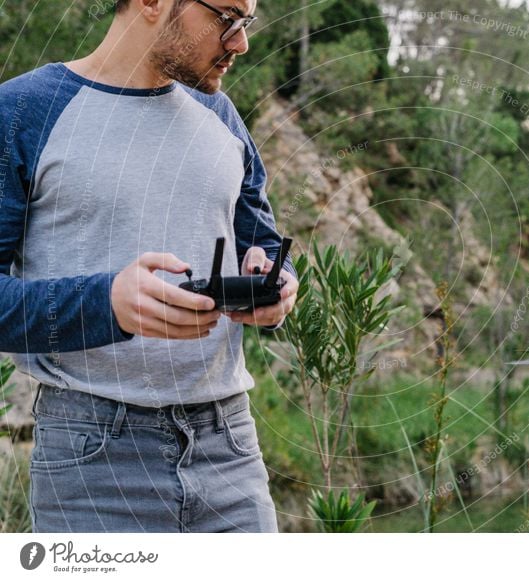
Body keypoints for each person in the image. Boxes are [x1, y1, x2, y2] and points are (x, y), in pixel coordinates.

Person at [0, 0, 297, 532]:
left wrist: (273, 288)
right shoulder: (22, 112)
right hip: (91, 455)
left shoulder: (221, 114)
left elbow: (264, 244)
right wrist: (105, 303)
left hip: (229, 445)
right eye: (227, 17)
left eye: (246, 23)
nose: (240, 42)